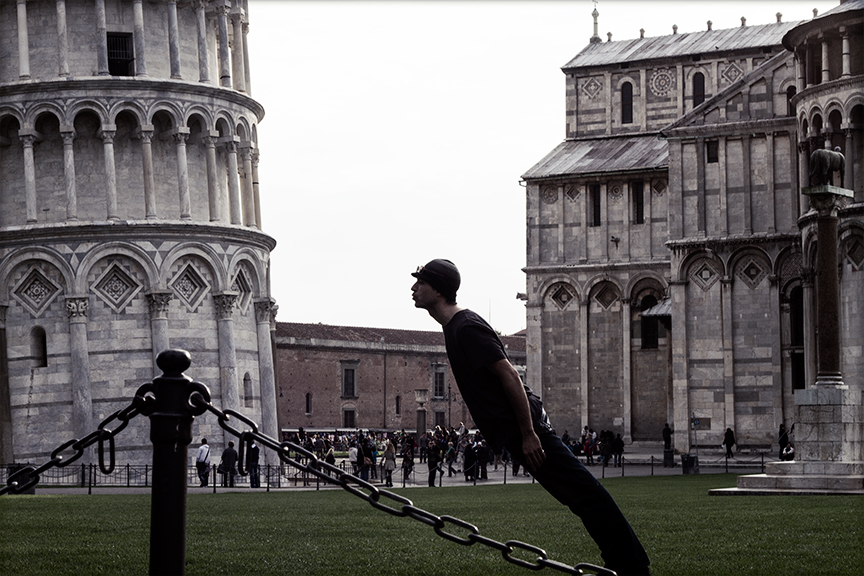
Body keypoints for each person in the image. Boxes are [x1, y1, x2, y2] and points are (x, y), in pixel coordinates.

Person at [412, 259, 650, 576]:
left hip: (526, 430)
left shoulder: (465, 326)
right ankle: (625, 562)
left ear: (438, 288)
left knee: (585, 494)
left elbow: (509, 375)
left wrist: (528, 434)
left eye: (420, 283)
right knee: (577, 497)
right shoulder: (454, 327)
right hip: (516, 433)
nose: (413, 288)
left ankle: (631, 566)